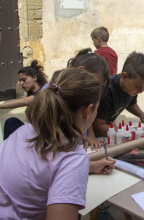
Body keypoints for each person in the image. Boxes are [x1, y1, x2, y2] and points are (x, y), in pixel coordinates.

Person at [0, 68, 115, 219]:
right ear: (88, 111)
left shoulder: (25, 131)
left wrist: (91, 166)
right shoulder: (73, 158)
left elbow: (41, 168)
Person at [93, 52, 144, 137]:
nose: (141, 91)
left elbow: (130, 103)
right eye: (138, 86)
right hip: (95, 135)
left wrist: (142, 115)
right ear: (124, 76)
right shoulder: (107, 91)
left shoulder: (131, 88)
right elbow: (98, 127)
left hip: (109, 128)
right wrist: (126, 131)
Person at [1, 60, 48, 140]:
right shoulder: (30, 94)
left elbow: (26, 101)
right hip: (33, 131)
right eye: (20, 81)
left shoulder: (46, 90)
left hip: (45, 133)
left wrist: (1, 105)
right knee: (11, 122)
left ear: (34, 77)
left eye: (24, 80)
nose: (21, 83)